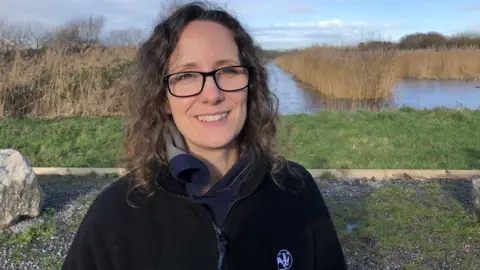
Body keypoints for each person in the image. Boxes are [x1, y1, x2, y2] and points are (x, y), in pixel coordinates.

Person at [62, 2, 347, 269]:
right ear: (163, 99)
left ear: (250, 83)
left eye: (228, 70)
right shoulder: (116, 214)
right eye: (186, 76)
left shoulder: (296, 190)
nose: (213, 95)